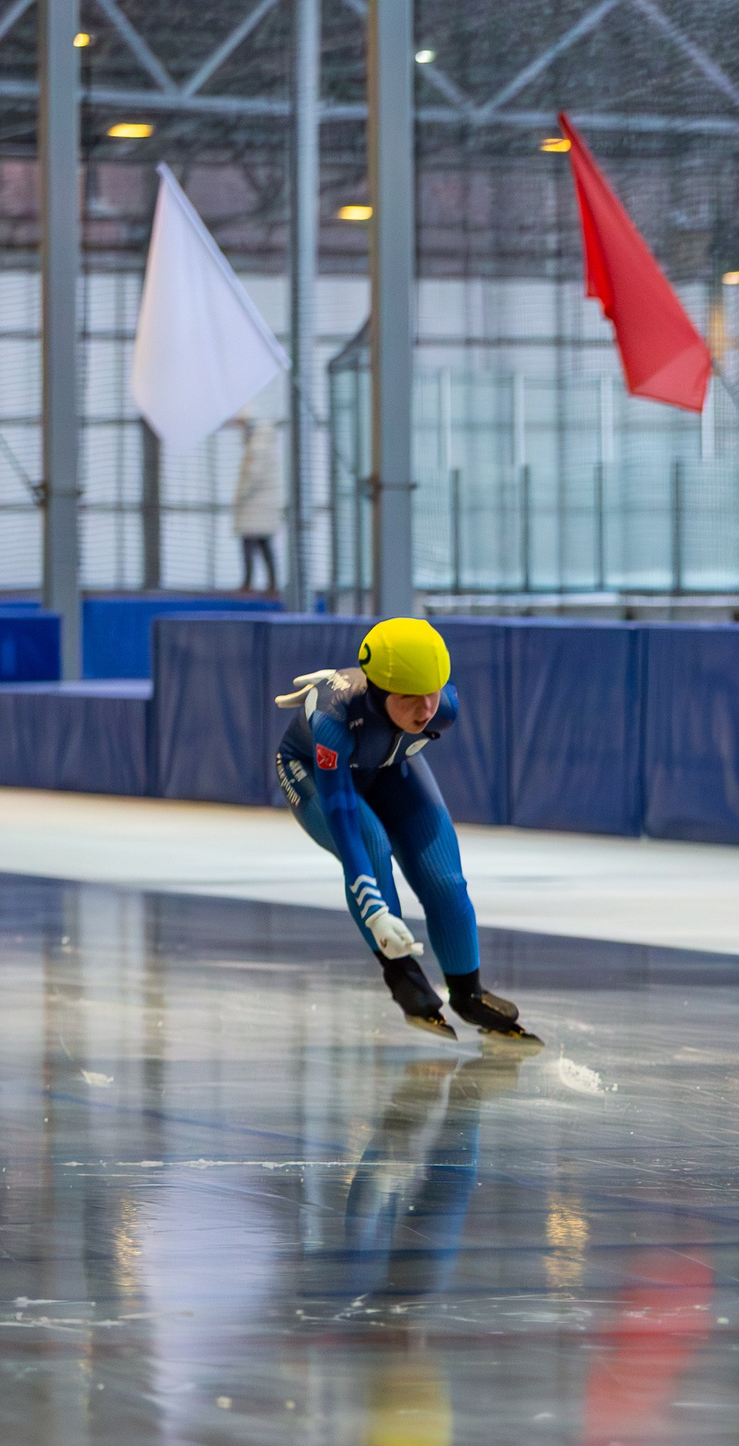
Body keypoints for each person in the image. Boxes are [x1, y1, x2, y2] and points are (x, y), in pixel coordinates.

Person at [275, 616, 538, 1045]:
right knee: (371, 844)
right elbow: (342, 814)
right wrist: (376, 912)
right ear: (378, 689)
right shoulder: (332, 720)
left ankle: (468, 992)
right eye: (412, 697)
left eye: (433, 693)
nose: (427, 710)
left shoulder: (443, 709)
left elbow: (409, 714)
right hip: (316, 772)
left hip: (387, 765)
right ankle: (403, 976)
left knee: (446, 880)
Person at [235, 414, 282, 594]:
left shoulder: (257, 450)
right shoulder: (268, 449)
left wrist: (240, 498)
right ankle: (272, 584)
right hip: (263, 510)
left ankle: (248, 584)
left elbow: (252, 477)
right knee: (265, 545)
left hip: (253, 508)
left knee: (250, 544)